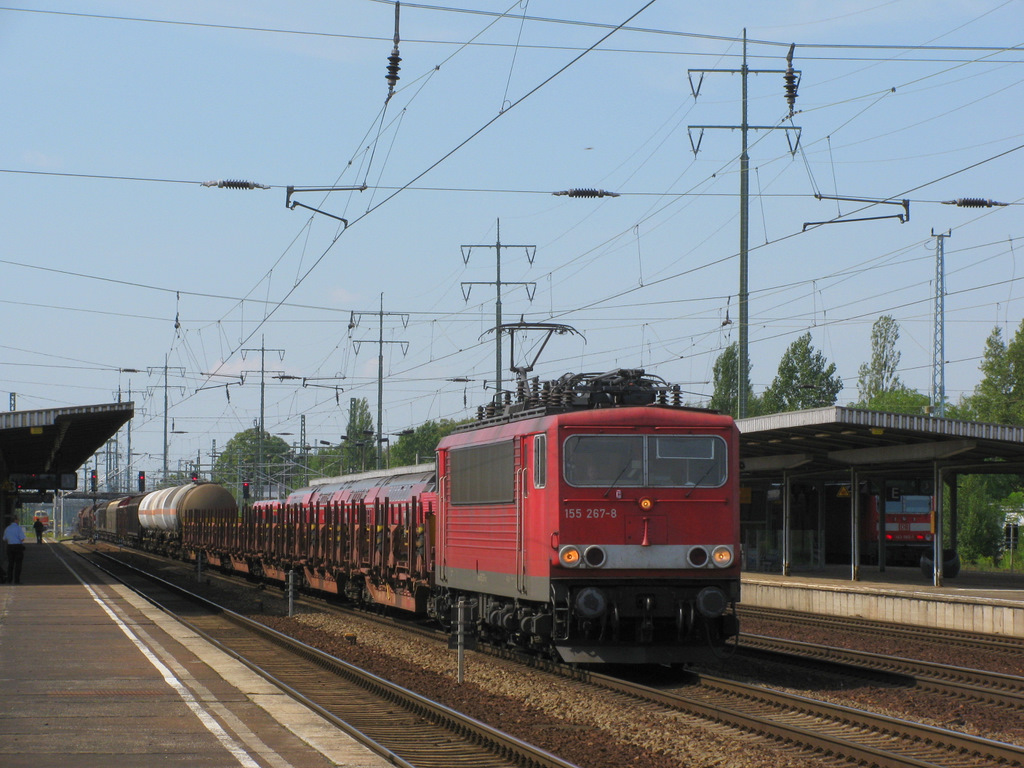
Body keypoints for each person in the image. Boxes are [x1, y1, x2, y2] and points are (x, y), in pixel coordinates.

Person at [3, 516, 26, 584]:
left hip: (9, 547)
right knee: (18, 564)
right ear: (15, 520)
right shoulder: (18, 528)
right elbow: (22, 538)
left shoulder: (7, 528)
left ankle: (9, 579)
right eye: (18, 520)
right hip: (18, 547)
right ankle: (17, 580)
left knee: (10, 564)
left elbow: (4, 538)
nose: (18, 521)